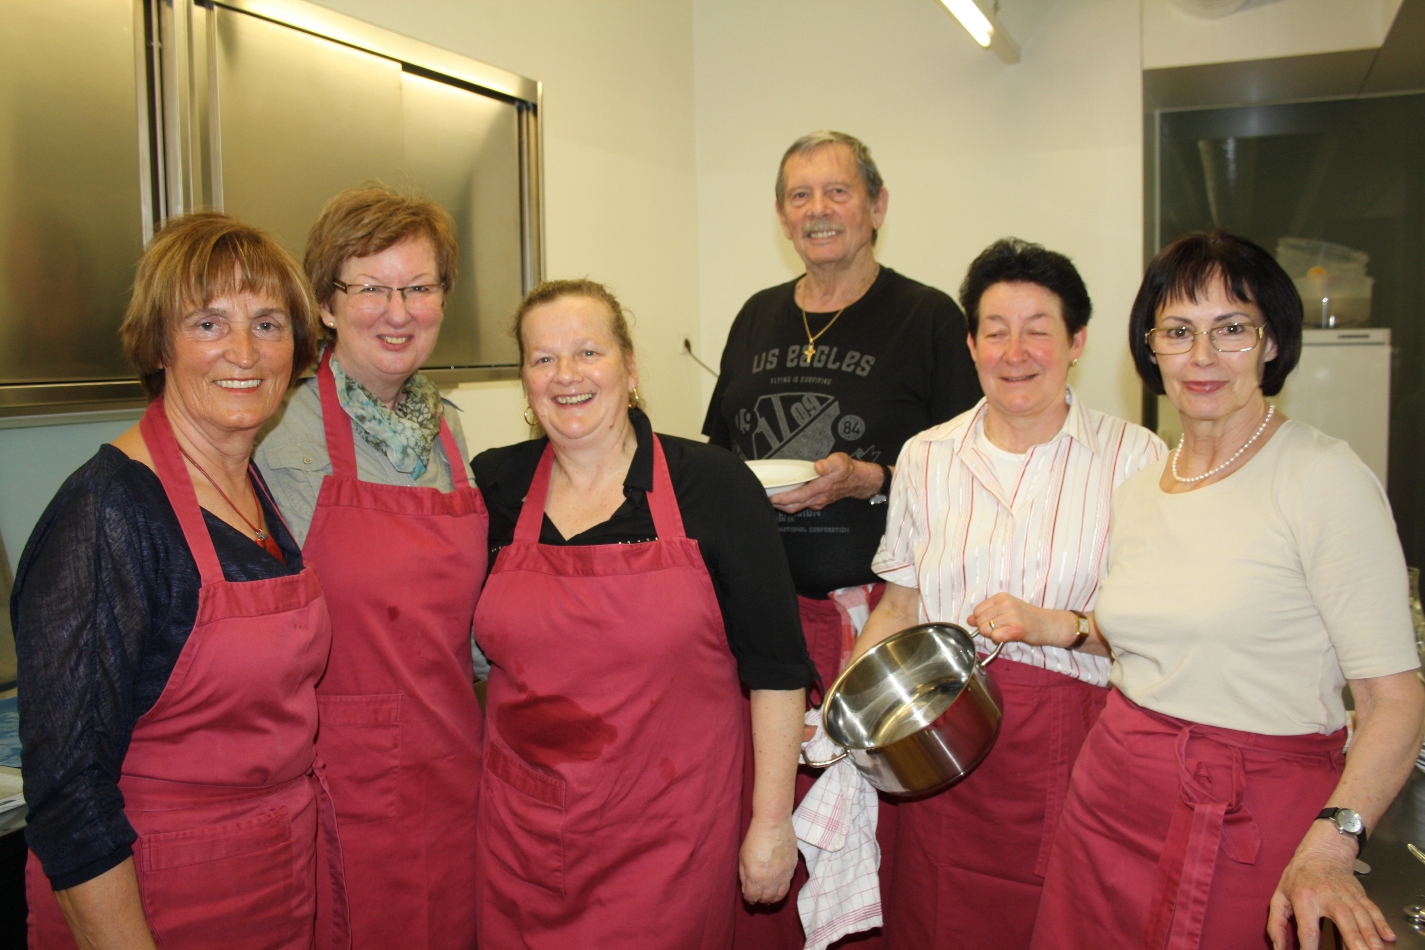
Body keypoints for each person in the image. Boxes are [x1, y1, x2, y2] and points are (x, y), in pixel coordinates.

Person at [1027, 231, 1425, 950]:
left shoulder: (1323, 479)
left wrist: (1332, 846)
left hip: (1251, 815)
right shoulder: (1142, 486)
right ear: (1151, 350)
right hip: (1109, 799)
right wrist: (1058, 624)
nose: (1202, 356)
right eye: (1178, 331)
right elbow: (1156, 630)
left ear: (1271, 343)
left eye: (1231, 329)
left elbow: (1394, 702)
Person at [15, 212, 343, 949]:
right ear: (160, 343)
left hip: (274, 883)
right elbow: (70, 799)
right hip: (160, 903)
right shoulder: (108, 512)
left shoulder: (246, 487)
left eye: (267, 325)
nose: (243, 352)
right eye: (208, 323)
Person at [471, 279, 814, 948]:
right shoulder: (495, 484)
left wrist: (772, 824)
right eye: (543, 359)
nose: (566, 375)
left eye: (587, 352)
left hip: (668, 835)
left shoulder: (712, 484)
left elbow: (776, 668)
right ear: (525, 380)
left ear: (629, 368)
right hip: (522, 833)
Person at [702, 130, 982, 947]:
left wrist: (870, 478)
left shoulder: (927, 317)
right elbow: (719, 450)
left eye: (837, 192)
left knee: (864, 822)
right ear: (781, 214)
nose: (818, 210)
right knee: (767, 810)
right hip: (761, 617)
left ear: (876, 206)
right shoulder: (757, 314)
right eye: (800, 195)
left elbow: (966, 464)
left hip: (875, 622)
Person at [845, 238, 1165, 948]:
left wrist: (1055, 625)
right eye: (994, 332)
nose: (1014, 352)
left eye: (1037, 330)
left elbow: (1162, 631)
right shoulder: (926, 456)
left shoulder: (1136, 458)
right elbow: (899, 606)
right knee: (937, 917)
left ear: (1077, 342)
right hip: (936, 740)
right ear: (970, 344)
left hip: (1078, 742)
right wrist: (849, 706)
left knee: (1064, 922)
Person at [254, 185, 487, 950]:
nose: (398, 311)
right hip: (335, 778)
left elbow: (471, 627)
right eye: (371, 289)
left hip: (453, 763)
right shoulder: (275, 428)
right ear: (325, 304)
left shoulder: (449, 432)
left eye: (418, 288)